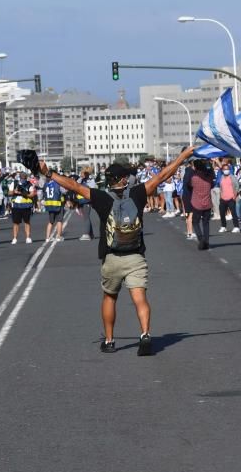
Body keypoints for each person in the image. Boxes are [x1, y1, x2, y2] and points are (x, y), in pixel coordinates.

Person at [39, 147, 194, 356]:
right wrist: (184, 156)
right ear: (123, 179)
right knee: (140, 298)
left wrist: (49, 173)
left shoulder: (101, 197)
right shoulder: (138, 193)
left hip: (111, 257)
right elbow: (163, 175)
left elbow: (73, 186)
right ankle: (145, 334)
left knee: (109, 298)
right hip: (136, 256)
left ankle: (110, 341)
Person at [188, 159, 215, 250]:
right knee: (206, 223)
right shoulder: (209, 177)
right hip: (207, 202)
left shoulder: (194, 177)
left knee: (195, 222)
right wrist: (209, 166)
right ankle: (206, 241)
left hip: (196, 203)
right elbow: (212, 182)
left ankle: (201, 239)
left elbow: (189, 186)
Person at [9, 172, 36, 244]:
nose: (23, 178)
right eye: (22, 177)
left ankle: (28, 237)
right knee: (16, 223)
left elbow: (32, 194)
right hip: (16, 205)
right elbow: (9, 193)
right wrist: (15, 192)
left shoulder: (29, 184)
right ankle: (14, 238)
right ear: (19, 177)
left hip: (26, 205)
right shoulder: (14, 183)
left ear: (26, 177)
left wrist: (24, 194)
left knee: (27, 222)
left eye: (24, 177)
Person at [42, 175, 66, 242]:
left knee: (50, 221)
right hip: (58, 204)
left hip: (49, 204)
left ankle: (47, 237)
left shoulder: (46, 184)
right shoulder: (58, 184)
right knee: (59, 221)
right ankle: (58, 236)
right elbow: (64, 191)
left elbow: (43, 192)